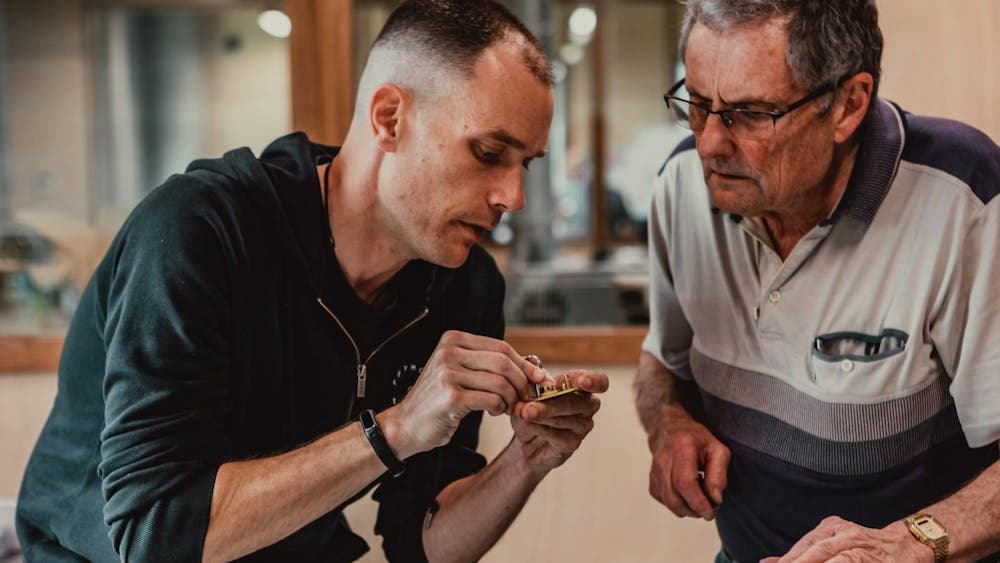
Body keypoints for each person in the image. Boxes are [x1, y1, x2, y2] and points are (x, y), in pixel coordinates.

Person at [16, 1, 608, 561]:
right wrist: (395, 430)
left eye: (524, 163)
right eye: (487, 152)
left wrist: (524, 463)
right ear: (389, 118)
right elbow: (156, 534)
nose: (514, 197)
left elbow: (419, 544)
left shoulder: (463, 283)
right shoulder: (199, 233)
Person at [634, 1, 1000, 562]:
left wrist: (911, 541)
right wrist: (668, 422)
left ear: (848, 105)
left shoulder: (965, 200)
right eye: (698, 104)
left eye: (749, 113)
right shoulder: (681, 186)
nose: (708, 143)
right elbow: (663, 360)